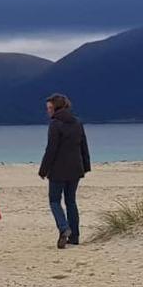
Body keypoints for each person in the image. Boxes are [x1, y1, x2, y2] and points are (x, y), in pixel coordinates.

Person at [38, 93, 91, 248]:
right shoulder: (77, 122)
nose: (48, 111)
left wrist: (43, 170)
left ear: (56, 107)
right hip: (75, 168)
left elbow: (51, 149)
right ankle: (74, 237)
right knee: (71, 202)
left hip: (58, 170)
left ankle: (64, 228)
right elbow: (84, 146)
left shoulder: (55, 124)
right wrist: (86, 166)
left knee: (54, 201)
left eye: (49, 108)